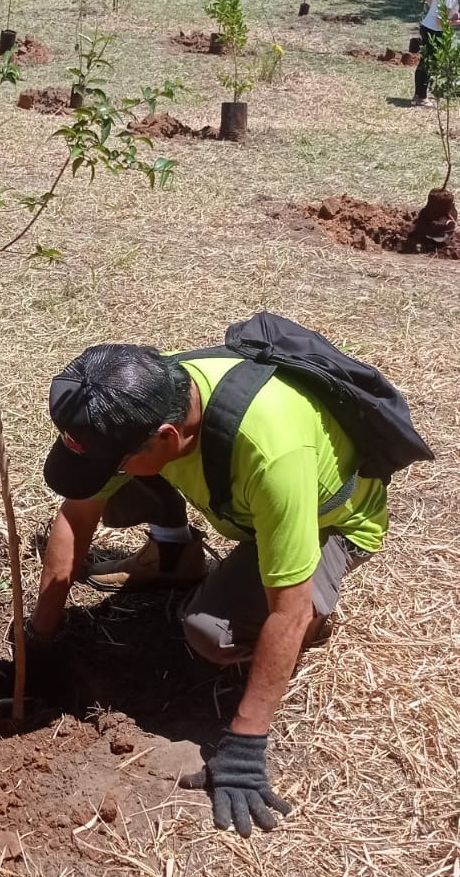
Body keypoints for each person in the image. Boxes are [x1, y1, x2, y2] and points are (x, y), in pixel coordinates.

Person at [28, 339, 401, 838]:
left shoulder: (275, 455)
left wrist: (245, 746)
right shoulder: (147, 393)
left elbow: (284, 612)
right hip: (239, 497)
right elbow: (76, 517)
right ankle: (174, 557)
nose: (107, 472)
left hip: (326, 522)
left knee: (211, 632)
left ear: (166, 436)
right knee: (107, 487)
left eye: (115, 461)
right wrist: (40, 635)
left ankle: (318, 602)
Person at [413, 0, 460, 106]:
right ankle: (421, 98)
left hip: (427, 27)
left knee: (425, 63)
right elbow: (441, 22)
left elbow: (432, 2)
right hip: (434, 31)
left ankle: (419, 95)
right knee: (427, 64)